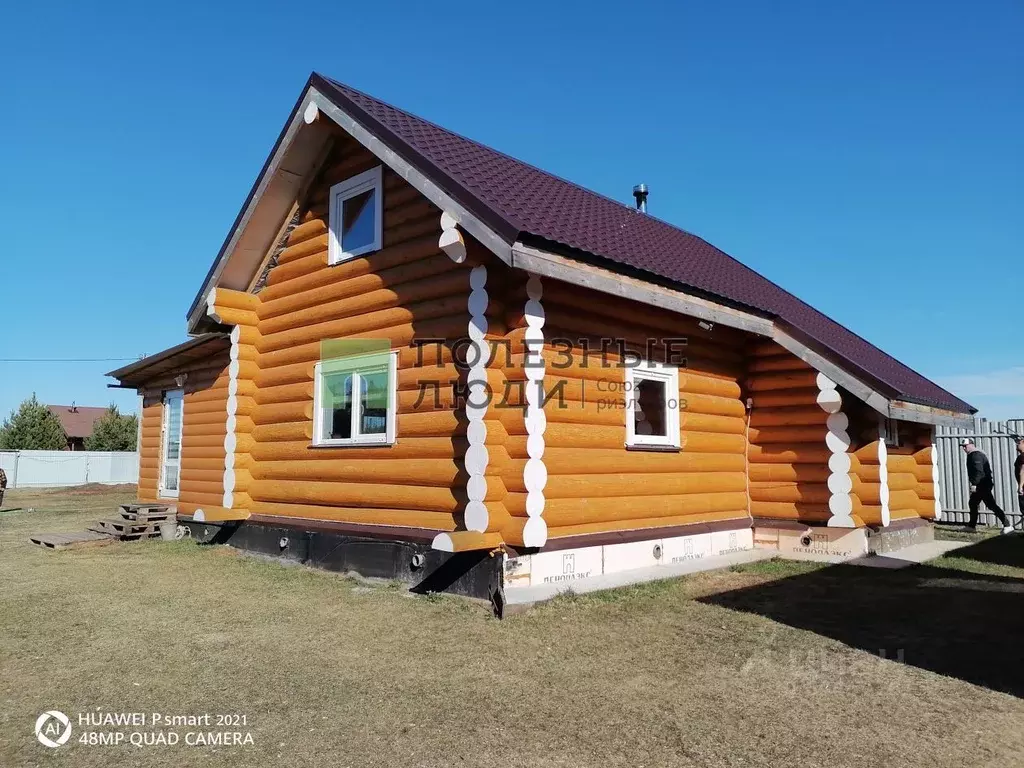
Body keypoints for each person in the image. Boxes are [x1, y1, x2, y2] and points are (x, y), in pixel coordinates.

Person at [960, 438, 1012, 534]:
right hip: (982, 484)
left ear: (971, 445)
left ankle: (1007, 525)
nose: (963, 448)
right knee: (973, 503)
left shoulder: (976, 455)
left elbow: (979, 471)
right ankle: (971, 526)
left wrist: (975, 484)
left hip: (982, 485)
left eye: (965, 446)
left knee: (990, 505)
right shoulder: (973, 454)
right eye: (962, 446)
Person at [1014, 436, 1024, 530]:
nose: (1017, 444)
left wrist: (1020, 486)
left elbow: (1023, 471)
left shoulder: (1023, 456)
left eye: (1019, 443)